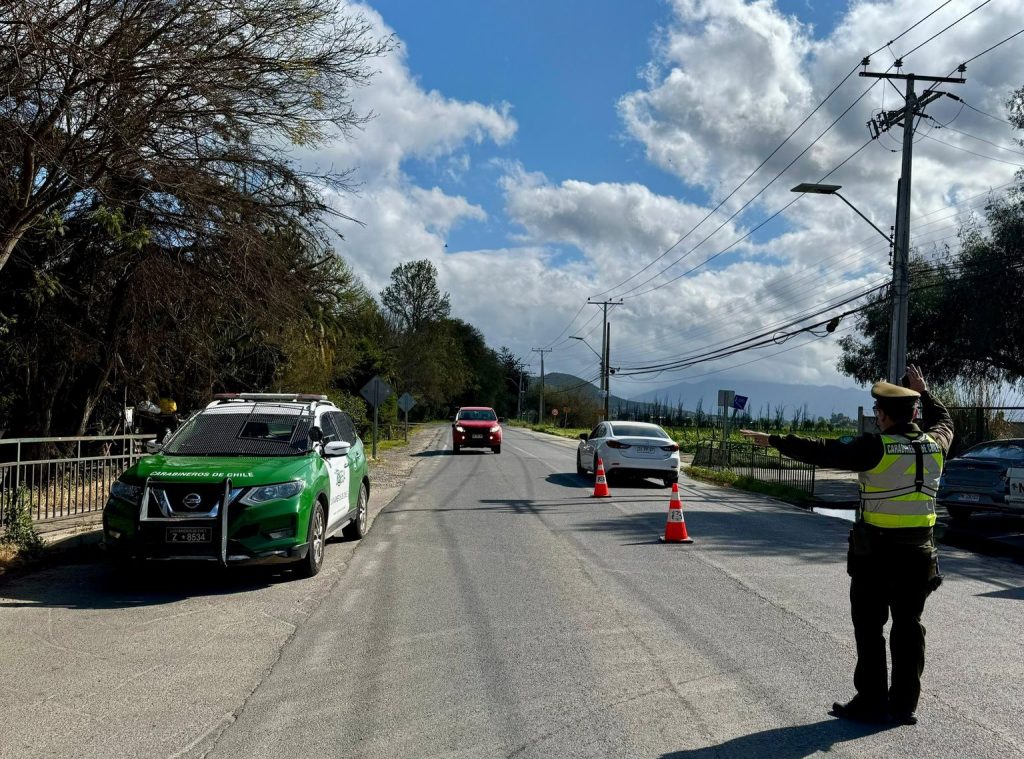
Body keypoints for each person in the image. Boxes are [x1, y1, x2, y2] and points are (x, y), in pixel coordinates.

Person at [740, 364, 953, 726]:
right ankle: (904, 706)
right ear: (914, 413)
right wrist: (925, 391)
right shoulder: (936, 445)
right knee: (909, 627)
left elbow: (822, 451)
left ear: (883, 415)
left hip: (878, 555)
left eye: (877, 412)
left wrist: (773, 440)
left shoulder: (876, 447)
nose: (876, 417)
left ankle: (871, 702)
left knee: (870, 627)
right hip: (919, 555)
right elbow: (946, 421)